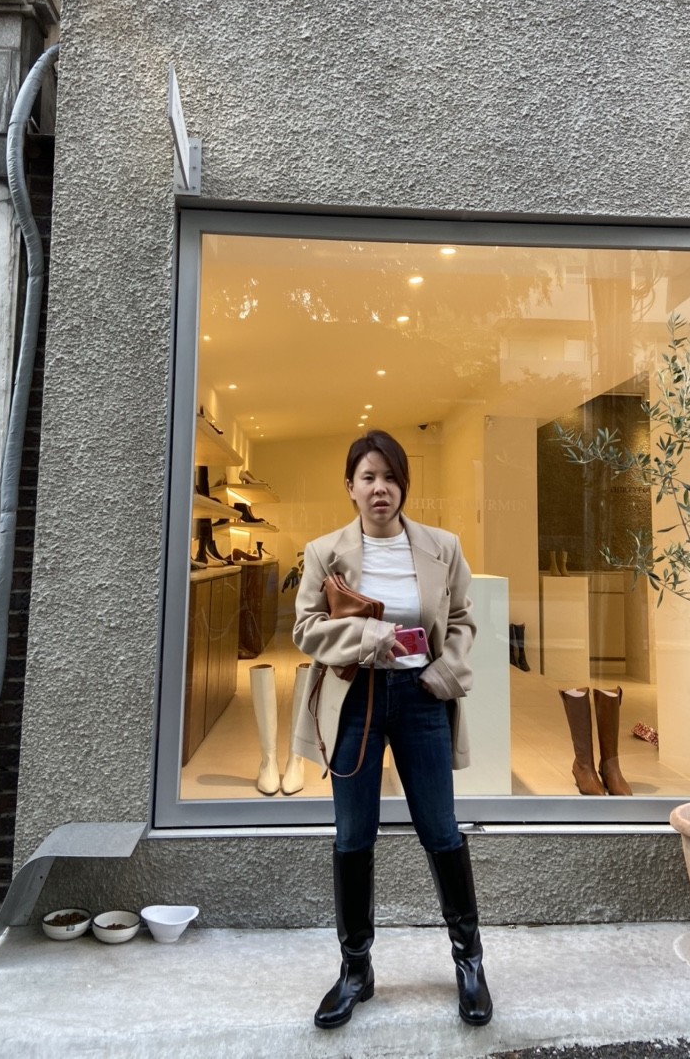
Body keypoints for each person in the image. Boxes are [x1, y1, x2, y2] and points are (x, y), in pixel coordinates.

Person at [292, 429, 493, 1030]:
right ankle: (356, 970)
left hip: (420, 698)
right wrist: (365, 635)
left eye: (390, 477)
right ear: (350, 487)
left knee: (441, 829)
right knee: (353, 835)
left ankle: (470, 963)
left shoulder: (442, 547)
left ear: (404, 485)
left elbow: (463, 619)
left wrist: (443, 673)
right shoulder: (324, 552)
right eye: (368, 477)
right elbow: (305, 629)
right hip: (355, 700)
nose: (380, 488)